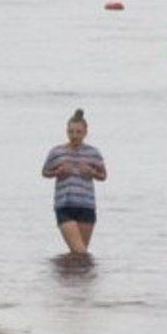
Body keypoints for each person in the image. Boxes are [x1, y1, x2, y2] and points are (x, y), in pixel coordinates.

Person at [42, 109, 106, 255]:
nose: (74, 135)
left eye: (78, 132)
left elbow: (103, 176)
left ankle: (71, 276)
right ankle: (91, 274)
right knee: (81, 252)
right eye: (71, 132)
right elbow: (45, 172)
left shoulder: (93, 153)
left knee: (77, 254)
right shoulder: (57, 152)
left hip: (86, 206)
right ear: (66, 131)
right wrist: (56, 172)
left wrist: (92, 173)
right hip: (64, 205)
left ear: (85, 132)